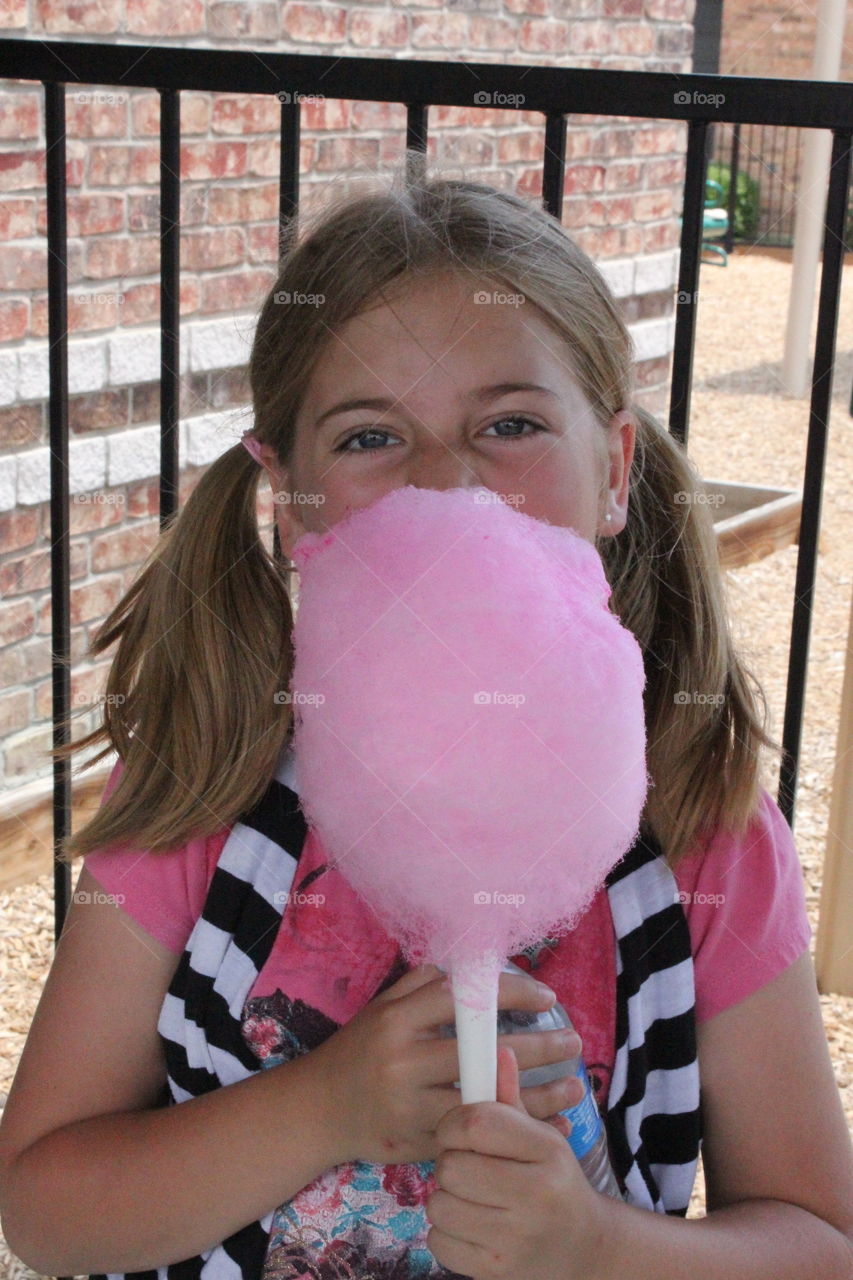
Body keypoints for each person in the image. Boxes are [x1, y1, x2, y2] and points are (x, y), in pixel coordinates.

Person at [1, 157, 852, 1280]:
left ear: (615, 469)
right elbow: (43, 1209)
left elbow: (821, 1241)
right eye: (368, 437)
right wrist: (323, 1105)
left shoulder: (709, 831)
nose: (446, 485)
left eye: (508, 422)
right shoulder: (195, 789)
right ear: (287, 495)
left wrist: (601, 1248)